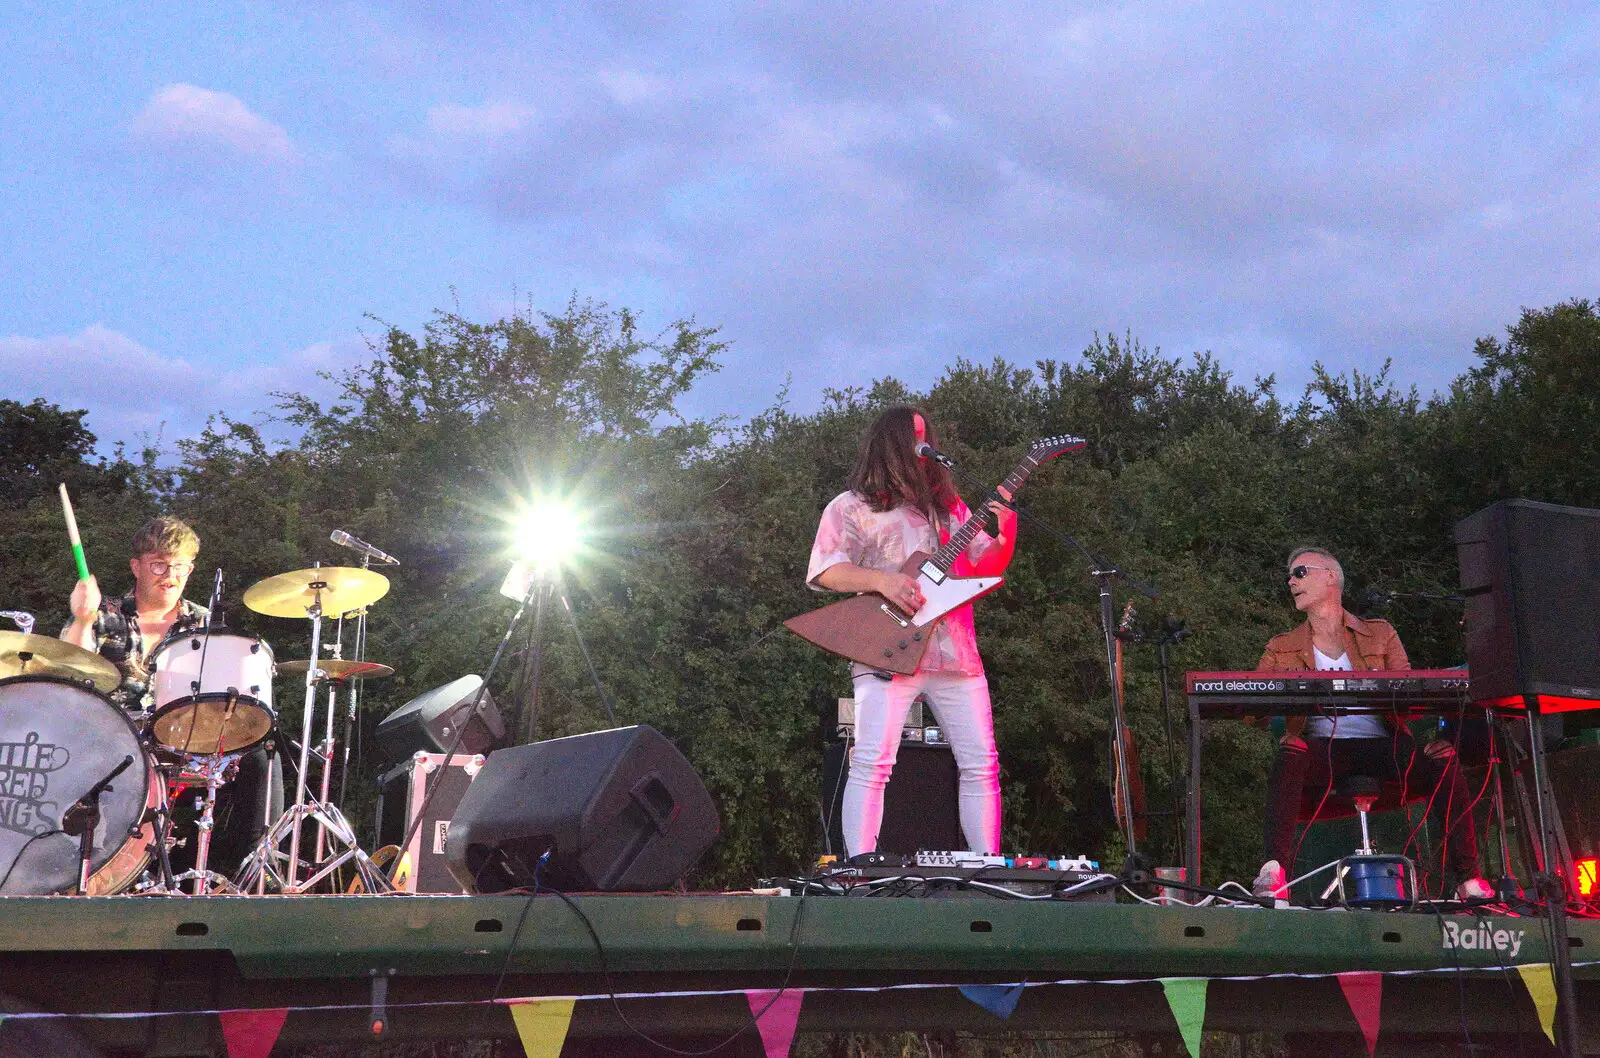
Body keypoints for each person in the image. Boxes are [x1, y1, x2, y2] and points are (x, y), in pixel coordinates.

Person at [806, 405, 1016, 857]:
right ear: (890, 444)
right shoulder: (852, 506)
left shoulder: (951, 507)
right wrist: (883, 580)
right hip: (886, 651)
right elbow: (826, 571)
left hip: (955, 652)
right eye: (913, 436)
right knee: (873, 762)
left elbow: (987, 567)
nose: (924, 446)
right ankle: (859, 867)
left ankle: (989, 867)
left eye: (927, 436)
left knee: (981, 763)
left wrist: (1007, 530)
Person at [1252, 546, 1490, 903]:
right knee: (1291, 748)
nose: (1291, 581)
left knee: (1442, 756)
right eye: (1289, 576)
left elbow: (1408, 699)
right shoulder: (1280, 646)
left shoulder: (1380, 634)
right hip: (1321, 753)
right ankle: (1272, 871)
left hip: (1383, 748)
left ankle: (1468, 879)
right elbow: (1252, 709)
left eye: (1299, 572)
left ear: (1330, 577)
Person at [61, 516, 278, 878]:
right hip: (111, 737)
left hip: (183, 739)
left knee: (260, 750)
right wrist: (82, 620)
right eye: (158, 565)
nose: (169, 575)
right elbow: (68, 672)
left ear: (190, 569)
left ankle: (251, 870)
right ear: (137, 567)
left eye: (178, 566)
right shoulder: (103, 615)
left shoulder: (204, 624)